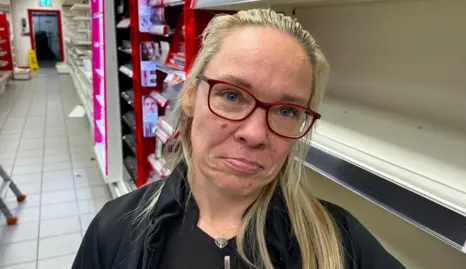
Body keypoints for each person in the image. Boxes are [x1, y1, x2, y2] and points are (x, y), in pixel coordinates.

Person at [73, 9, 405, 269]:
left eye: (286, 111)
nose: (255, 133)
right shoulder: (114, 231)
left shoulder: (341, 243)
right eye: (232, 96)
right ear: (190, 96)